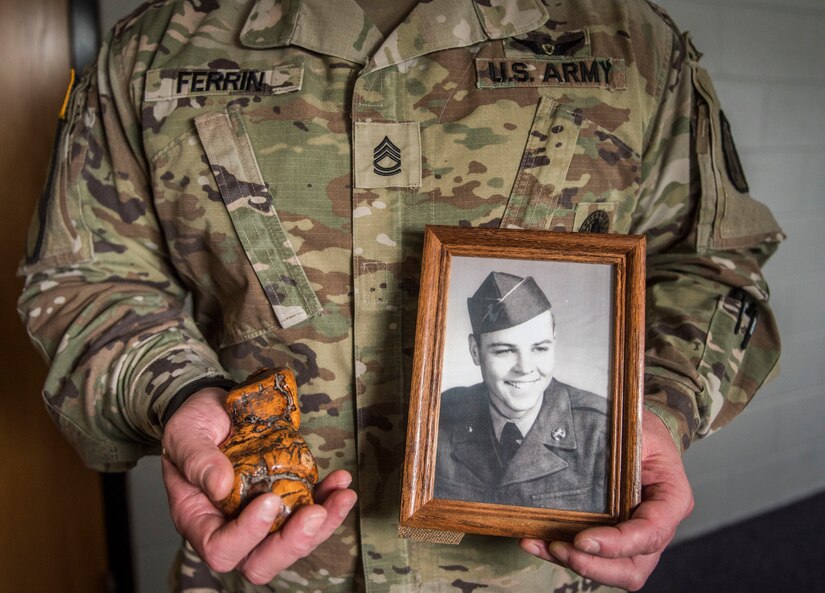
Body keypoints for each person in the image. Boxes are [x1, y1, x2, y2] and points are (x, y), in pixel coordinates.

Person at [17, 0, 784, 591]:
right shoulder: (156, 47)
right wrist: (175, 390)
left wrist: (653, 411)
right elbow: (88, 279)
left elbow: (711, 264)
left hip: (533, 567)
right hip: (267, 563)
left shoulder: (629, 42)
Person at [435, 271, 609, 512]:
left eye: (539, 348)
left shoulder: (600, 430)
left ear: (554, 343)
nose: (525, 368)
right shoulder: (441, 415)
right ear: (475, 351)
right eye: (505, 351)